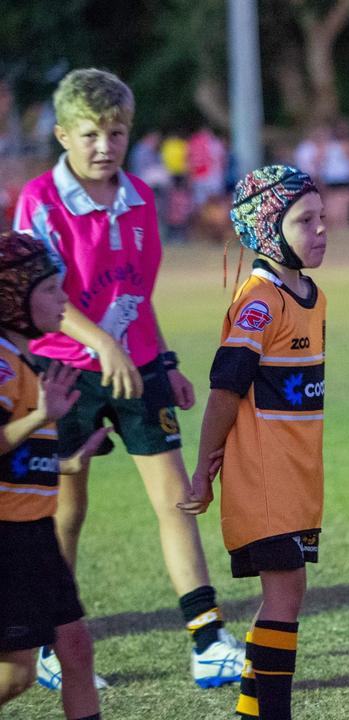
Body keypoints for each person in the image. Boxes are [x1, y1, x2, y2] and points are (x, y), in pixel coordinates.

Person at [11, 67, 243, 690]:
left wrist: (163, 359)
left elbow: (135, 295)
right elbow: (44, 297)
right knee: (65, 505)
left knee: (175, 497)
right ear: (62, 134)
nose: (103, 145)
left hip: (137, 367)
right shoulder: (41, 201)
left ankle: (208, 639)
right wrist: (102, 344)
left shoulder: (141, 197)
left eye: (115, 132)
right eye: (89, 133)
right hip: (61, 373)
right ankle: (53, 646)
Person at [177, 165, 328, 720]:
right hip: (263, 478)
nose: (321, 230)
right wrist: (203, 469)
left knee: (285, 597)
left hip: (296, 476)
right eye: (304, 221)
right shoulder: (260, 300)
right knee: (286, 597)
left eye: (322, 217)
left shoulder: (311, 294)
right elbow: (224, 390)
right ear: (266, 230)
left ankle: (248, 711)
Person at [0, 231, 107, 719]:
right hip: (8, 537)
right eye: (48, 289)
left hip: (36, 531)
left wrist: (66, 462)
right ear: (13, 297)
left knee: (76, 650)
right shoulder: (2, 366)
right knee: (17, 673)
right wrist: (39, 418)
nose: (63, 299)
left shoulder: (28, 361)